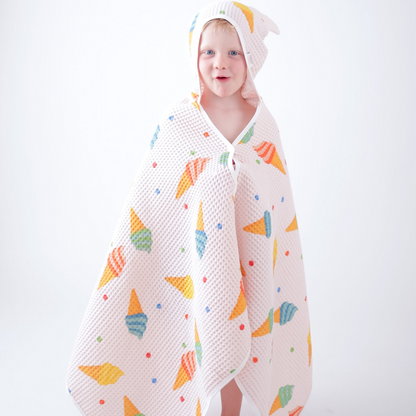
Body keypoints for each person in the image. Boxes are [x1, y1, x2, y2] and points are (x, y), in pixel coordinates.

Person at [66, 2, 313, 416]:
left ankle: (231, 410)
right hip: (197, 261)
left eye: (233, 52)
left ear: (251, 58)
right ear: (194, 57)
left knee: (246, 326)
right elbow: (155, 196)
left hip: (248, 258)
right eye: (208, 52)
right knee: (208, 328)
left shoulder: (262, 125)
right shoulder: (181, 121)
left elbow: (275, 199)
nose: (221, 63)